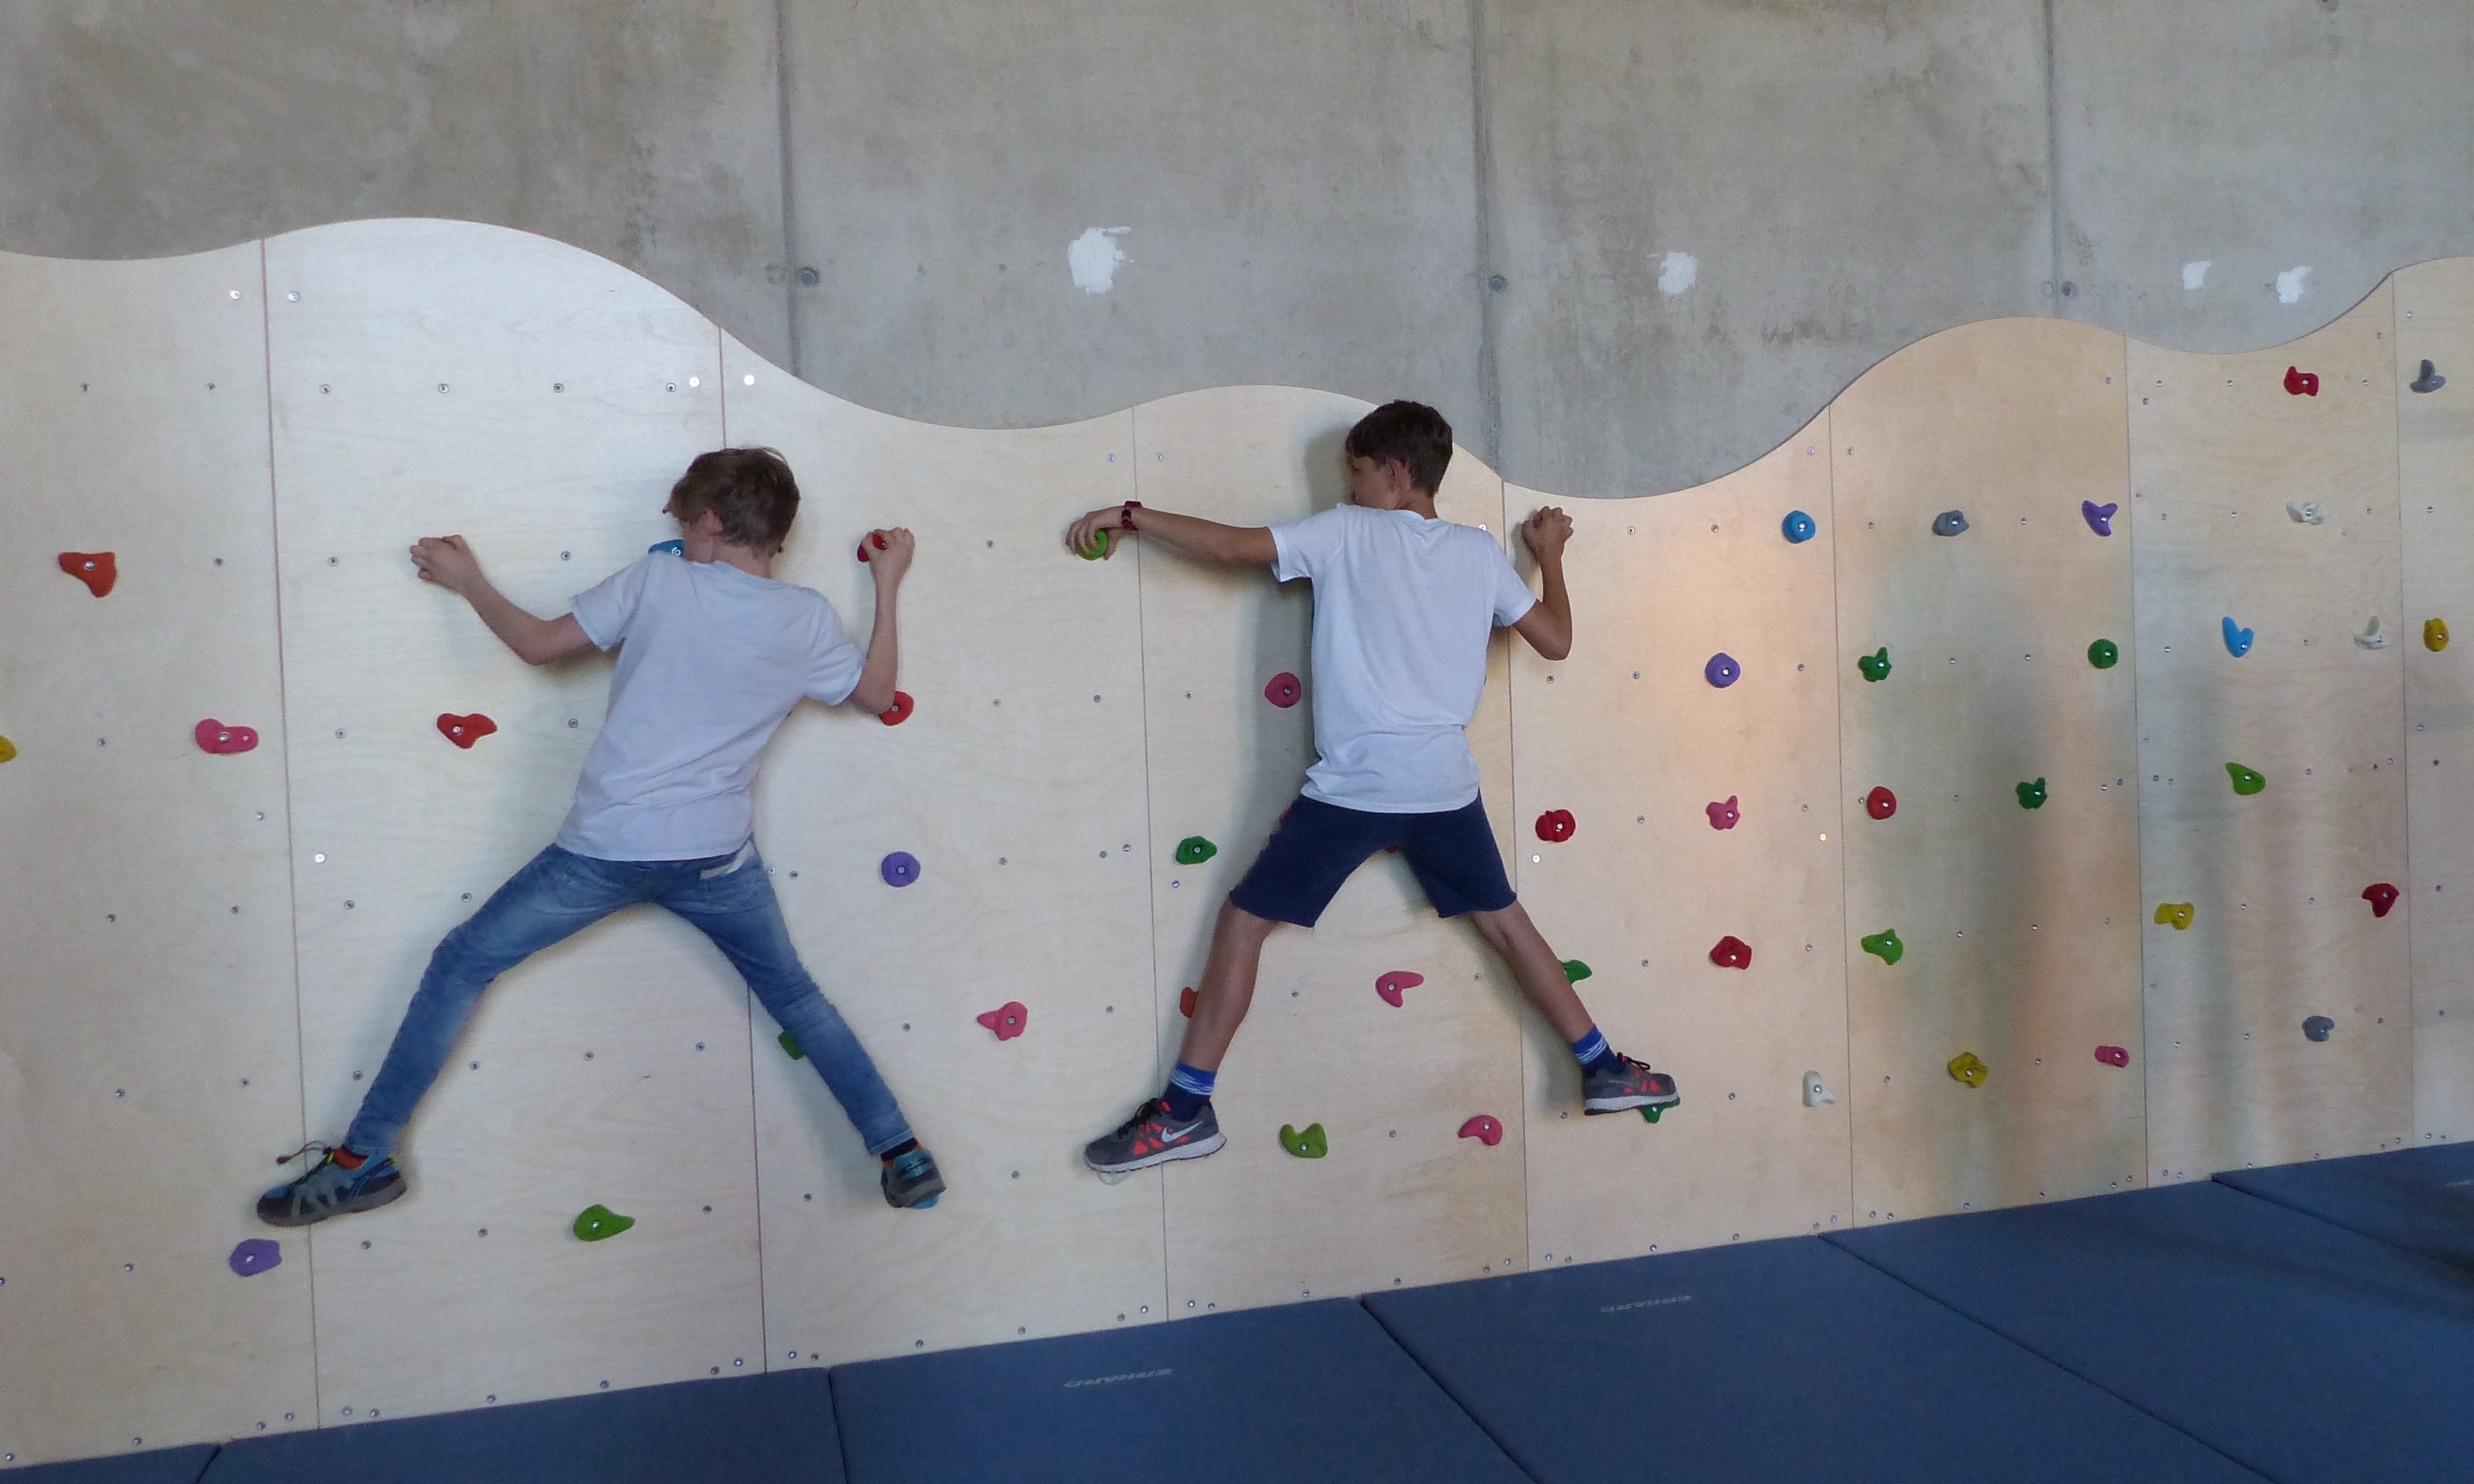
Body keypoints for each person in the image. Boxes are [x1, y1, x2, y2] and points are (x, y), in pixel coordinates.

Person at [257, 447, 944, 1226]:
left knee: (460, 961)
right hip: (718, 858)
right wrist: (886, 585)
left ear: (713, 523)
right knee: (798, 997)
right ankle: (900, 1151)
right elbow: (876, 693)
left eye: (685, 521)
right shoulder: (807, 617)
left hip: (605, 854)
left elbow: (538, 644)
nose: (678, 534)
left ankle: (365, 1158)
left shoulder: (659, 580)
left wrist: (467, 579)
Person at [1069, 401, 1679, 1176]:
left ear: (1393, 473)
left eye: (1354, 472)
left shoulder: (1345, 531)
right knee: (1506, 924)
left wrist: (1131, 513)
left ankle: (1185, 1112)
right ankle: (1602, 1066)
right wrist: (1549, 553)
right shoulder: (1478, 551)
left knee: (1242, 926)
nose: (1349, 487)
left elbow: (1226, 546)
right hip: (1443, 785)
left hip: (1358, 785)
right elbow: (1555, 640)